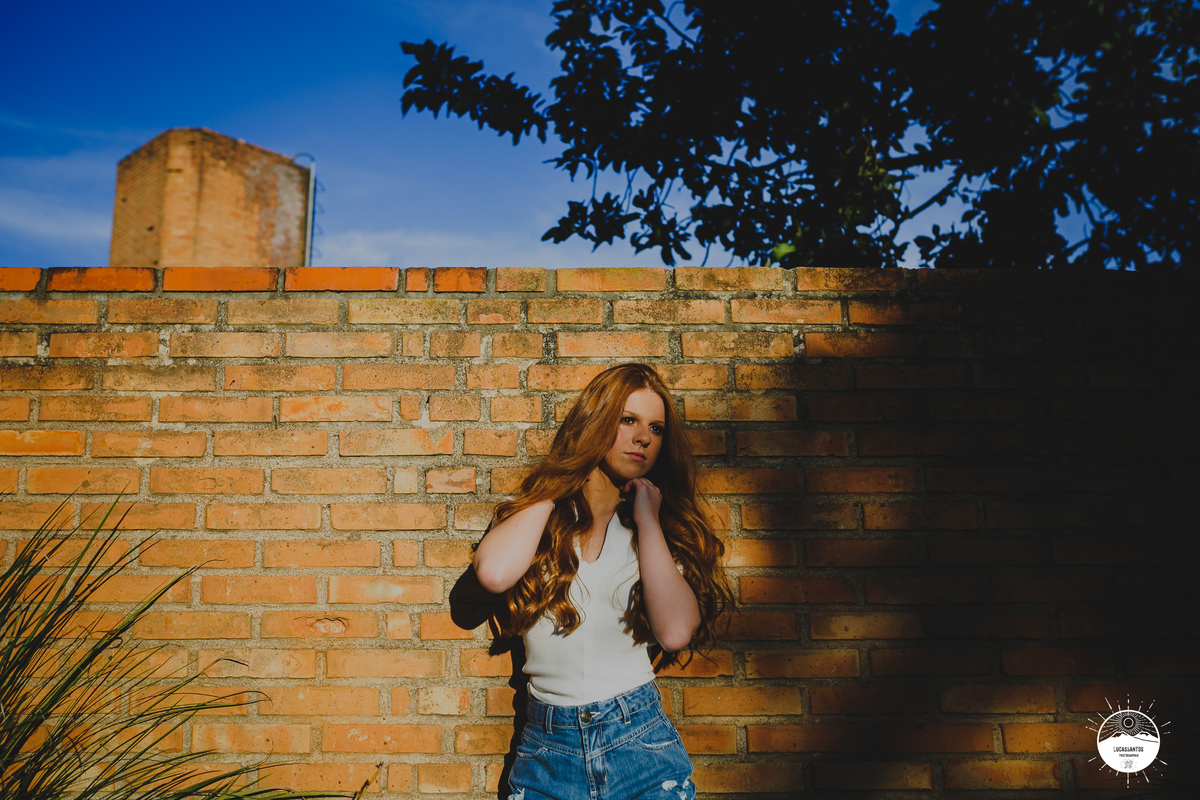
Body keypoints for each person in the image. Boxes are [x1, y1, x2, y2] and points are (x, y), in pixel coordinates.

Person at [473, 363, 734, 800]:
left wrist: (648, 519)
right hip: (547, 757)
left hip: (641, 749)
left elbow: (674, 632)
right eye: (628, 420)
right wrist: (557, 486)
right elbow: (494, 574)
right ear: (595, 423)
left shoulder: (659, 530)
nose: (644, 437)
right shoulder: (536, 517)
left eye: (656, 428)